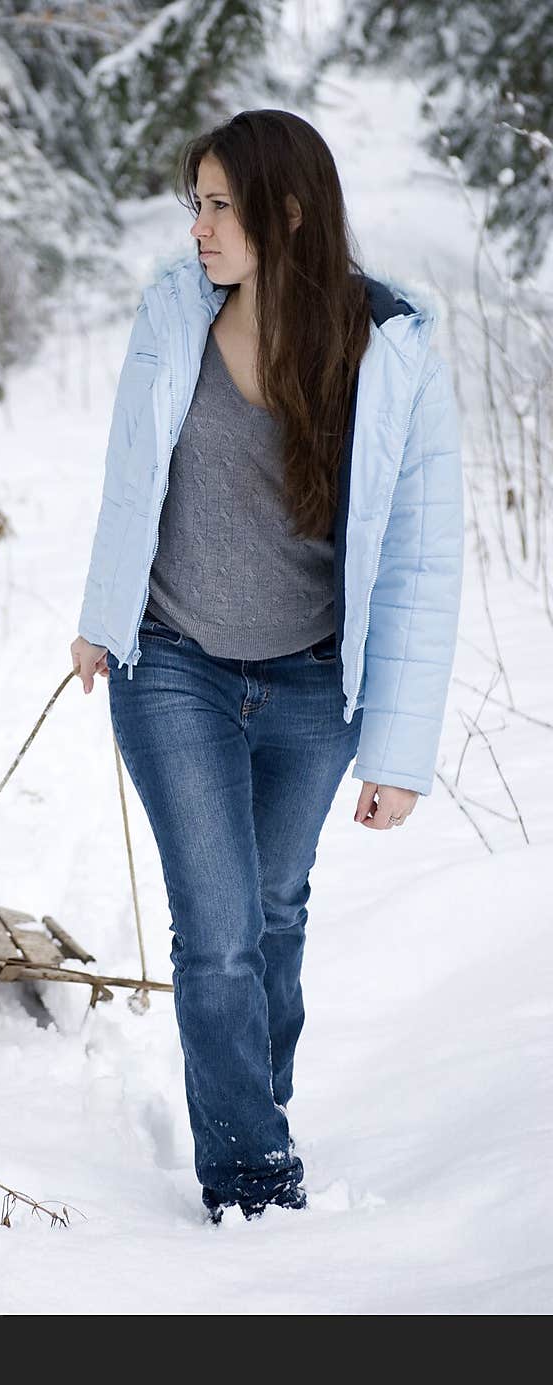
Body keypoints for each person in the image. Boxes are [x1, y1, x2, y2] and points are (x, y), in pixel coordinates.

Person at [70, 110, 464, 1225]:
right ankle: (250, 1177)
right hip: (175, 666)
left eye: (218, 205)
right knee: (222, 931)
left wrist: (396, 748)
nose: (196, 228)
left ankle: (256, 1102)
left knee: (275, 911)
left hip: (309, 684)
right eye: (192, 204)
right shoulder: (173, 316)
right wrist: (103, 615)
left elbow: (424, 562)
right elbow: (127, 473)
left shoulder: (385, 353)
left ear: (285, 212)